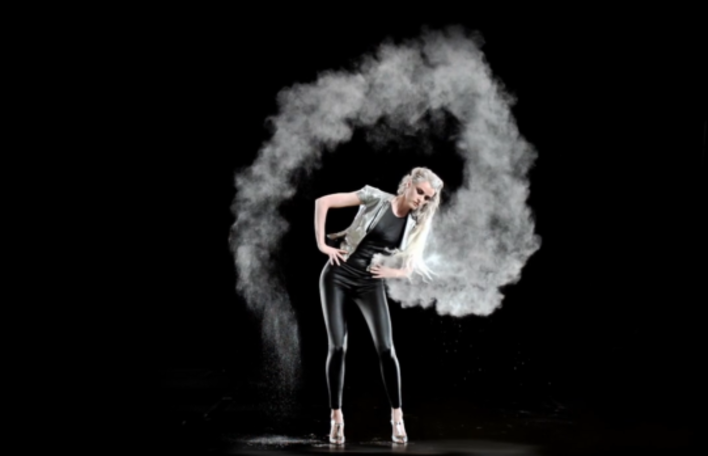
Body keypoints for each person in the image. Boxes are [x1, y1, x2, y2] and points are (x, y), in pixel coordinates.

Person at [314, 167, 444, 444]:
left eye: (427, 197)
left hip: (369, 283)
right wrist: (323, 246)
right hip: (338, 274)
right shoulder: (374, 197)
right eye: (420, 192)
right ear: (408, 184)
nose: (421, 199)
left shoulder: (415, 223)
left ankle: (397, 417)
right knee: (338, 347)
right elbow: (322, 202)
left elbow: (409, 267)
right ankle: (336, 417)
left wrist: (391, 272)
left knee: (386, 349)